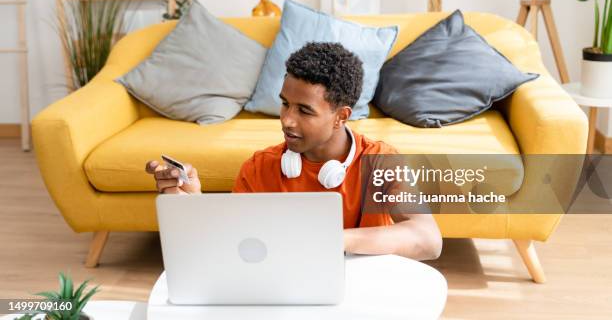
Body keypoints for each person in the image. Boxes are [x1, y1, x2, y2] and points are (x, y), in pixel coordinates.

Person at [146, 42, 442, 261]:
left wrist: (331, 239)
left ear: (341, 116)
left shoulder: (380, 161)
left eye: (304, 110)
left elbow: (428, 239)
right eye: (285, 103)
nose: (287, 120)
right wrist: (192, 204)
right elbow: (233, 244)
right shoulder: (259, 168)